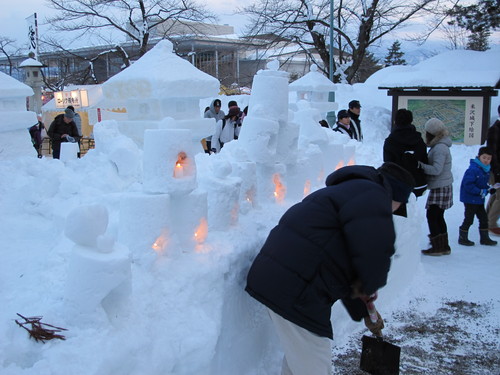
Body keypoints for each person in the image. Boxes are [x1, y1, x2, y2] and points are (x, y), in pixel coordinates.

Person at [246, 162, 415, 375]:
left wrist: (362, 306)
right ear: (397, 198)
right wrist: (370, 285)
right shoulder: (374, 196)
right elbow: (374, 251)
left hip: (282, 279)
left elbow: (344, 261)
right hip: (297, 289)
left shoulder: (350, 192)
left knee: (302, 360)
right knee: (315, 365)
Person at [383, 108, 428, 215]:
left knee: (399, 215)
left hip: (397, 183)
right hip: (416, 182)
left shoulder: (390, 141)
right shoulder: (418, 139)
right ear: (411, 121)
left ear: (395, 121)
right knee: (412, 209)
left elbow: (387, 163)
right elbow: (424, 159)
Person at [418, 118, 453, 256]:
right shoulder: (440, 145)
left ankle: (438, 247)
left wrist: (420, 165)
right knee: (438, 216)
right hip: (443, 184)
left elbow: (436, 169)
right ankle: (444, 246)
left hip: (440, 185)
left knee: (433, 215)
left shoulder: (439, 148)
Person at [458, 147, 497, 246]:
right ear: (479, 157)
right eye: (484, 158)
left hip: (479, 199)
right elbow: (468, 185)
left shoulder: (486, 170)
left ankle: (484, 239)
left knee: (484, 219)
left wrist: (489, 189)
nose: (486, 160)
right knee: (469, 219)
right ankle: (462, 238)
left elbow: (483, 185)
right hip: (470, 199)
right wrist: (481, 191)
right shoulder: (473, 169)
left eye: (489, 158)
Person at [486, 105, 500, 235]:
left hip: (497, 169)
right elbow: (492, 153)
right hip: (496, 169)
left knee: (496, 194)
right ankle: (491, 223)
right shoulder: (494, 130)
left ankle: (487, 219)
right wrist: (496, 172)